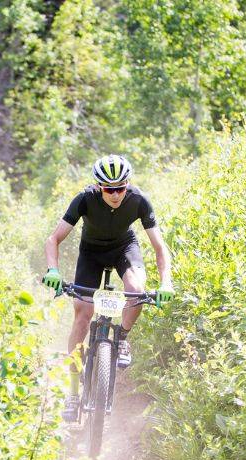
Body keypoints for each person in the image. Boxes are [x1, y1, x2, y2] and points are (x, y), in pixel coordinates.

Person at [42, 154, 175, 422]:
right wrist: (53, 270)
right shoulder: (84, 199)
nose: (115, 194)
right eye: (109, 189)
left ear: (127, 185)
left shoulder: (138, 200)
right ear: (98, 187)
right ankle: (72, 392)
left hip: (124, 248)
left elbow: (160, 248)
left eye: (120, 188)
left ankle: (122, 339)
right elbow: (53, 239)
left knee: (137, 292)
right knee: (82, 315)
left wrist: (166, 283)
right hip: (91, 254)